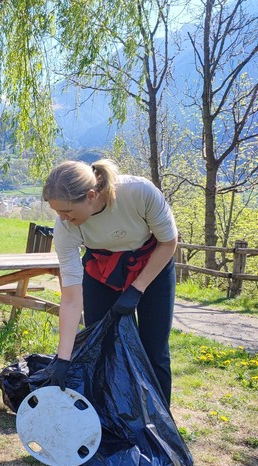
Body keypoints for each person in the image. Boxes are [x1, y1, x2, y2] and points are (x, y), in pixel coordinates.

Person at [42, 159, 178, 406]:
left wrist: (137, 289)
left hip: (153, 264)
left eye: (67, 211)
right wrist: (63, 360)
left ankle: (159, 425)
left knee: (154, 351)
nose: (62, 218)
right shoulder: (65, 228)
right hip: (102, 271)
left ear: (91, 196)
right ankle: (115, 418)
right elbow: (71, 300)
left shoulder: (139, 193)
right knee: (104, 349)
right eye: (57, 212)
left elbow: (168, 242)